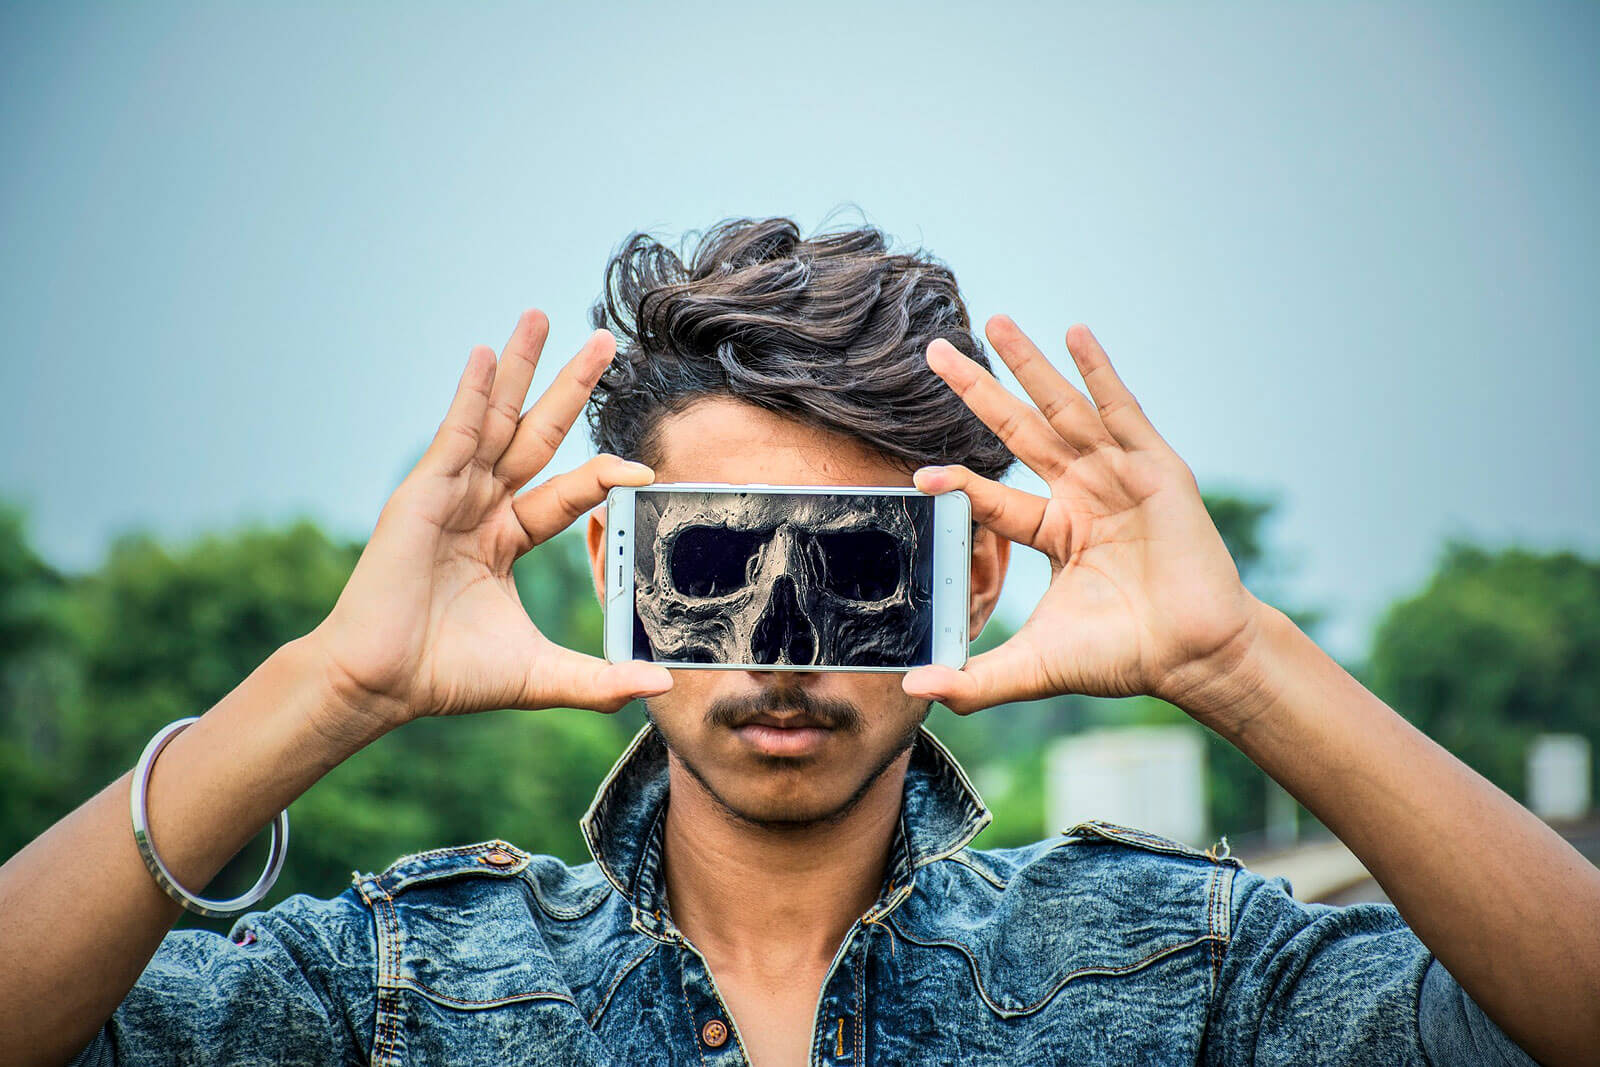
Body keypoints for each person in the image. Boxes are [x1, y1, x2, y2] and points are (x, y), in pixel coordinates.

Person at [1, 217, 1593, 1067]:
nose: (779, 647)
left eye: (855, 566)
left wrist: (1240, 662)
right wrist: (322, 691)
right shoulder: (411, 990)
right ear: (614, 569)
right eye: (710, 559)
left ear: (967, 587)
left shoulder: (1175, 973)